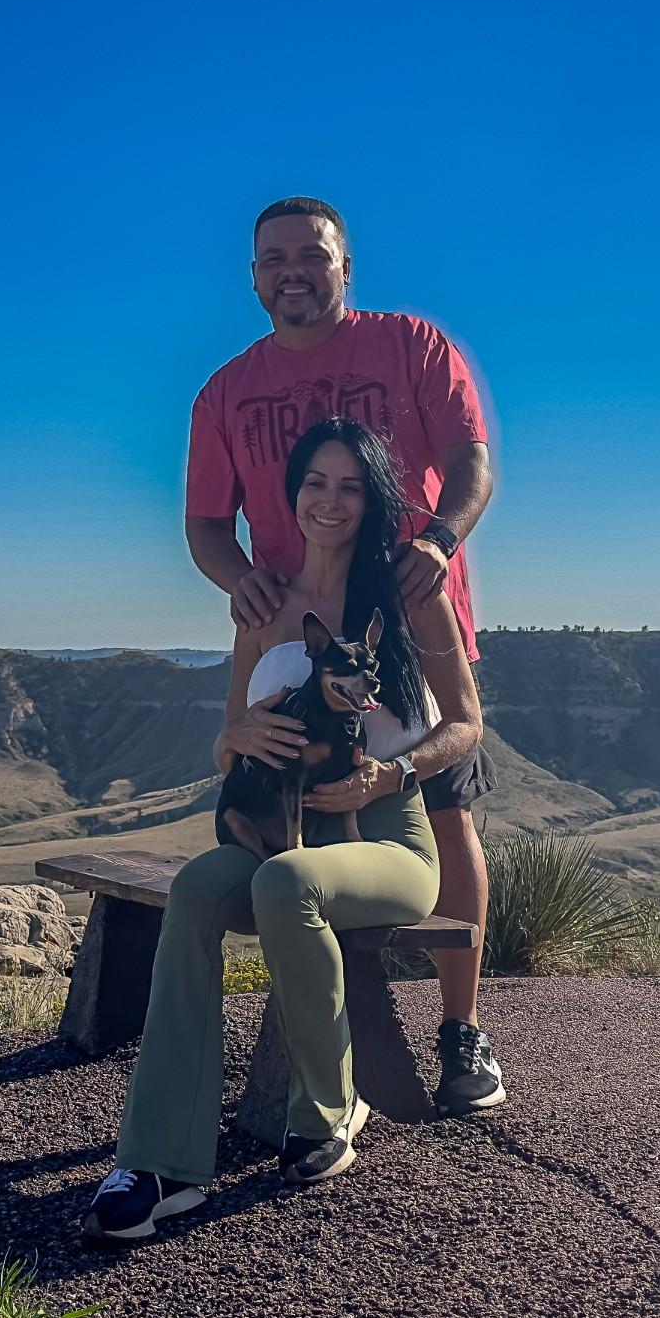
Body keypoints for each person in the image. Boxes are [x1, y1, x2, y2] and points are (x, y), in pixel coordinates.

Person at [89, 419, 487, 1242]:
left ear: (372, 499)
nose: (330, 502)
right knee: (199, 886)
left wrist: (394, 773)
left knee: (285, 882)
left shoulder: (409, 596)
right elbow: (229, 733)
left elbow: (467, 724)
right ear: (292, 496)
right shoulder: (263, 604)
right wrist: (236, 739)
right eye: (315, 484)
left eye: (349, 486)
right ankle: (161, 1160)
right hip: (281, 826)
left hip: (386, 838)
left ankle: (331, 1109)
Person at [183, 194, 508, 1117]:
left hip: (405, 626)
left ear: (344, 267)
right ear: (253, 277)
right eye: (273, 258)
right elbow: (206, 524)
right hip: (293, 642)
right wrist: (239, 579)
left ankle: (460, 1032)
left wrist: (440, 540)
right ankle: (322, 1050)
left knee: (444, 816)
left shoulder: (411, 345)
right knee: (296, 824)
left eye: (312, 255)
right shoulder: (226, 390)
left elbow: (471, 459)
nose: (293, 271)